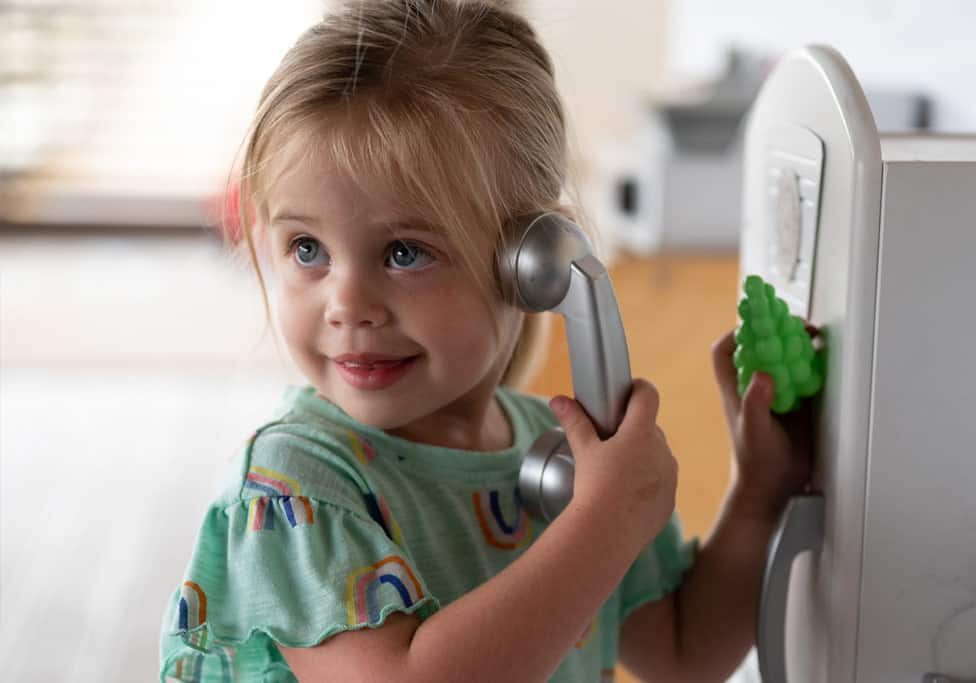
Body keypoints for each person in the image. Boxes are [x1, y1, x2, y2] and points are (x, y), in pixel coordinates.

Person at [158, 1, 815, 681]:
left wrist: (760, 491)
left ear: (540, 261)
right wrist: (602, 525)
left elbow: (683, 652)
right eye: (307, 248)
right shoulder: (296, 486)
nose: (346, 305)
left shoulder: (565, 464)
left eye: (405, 252)